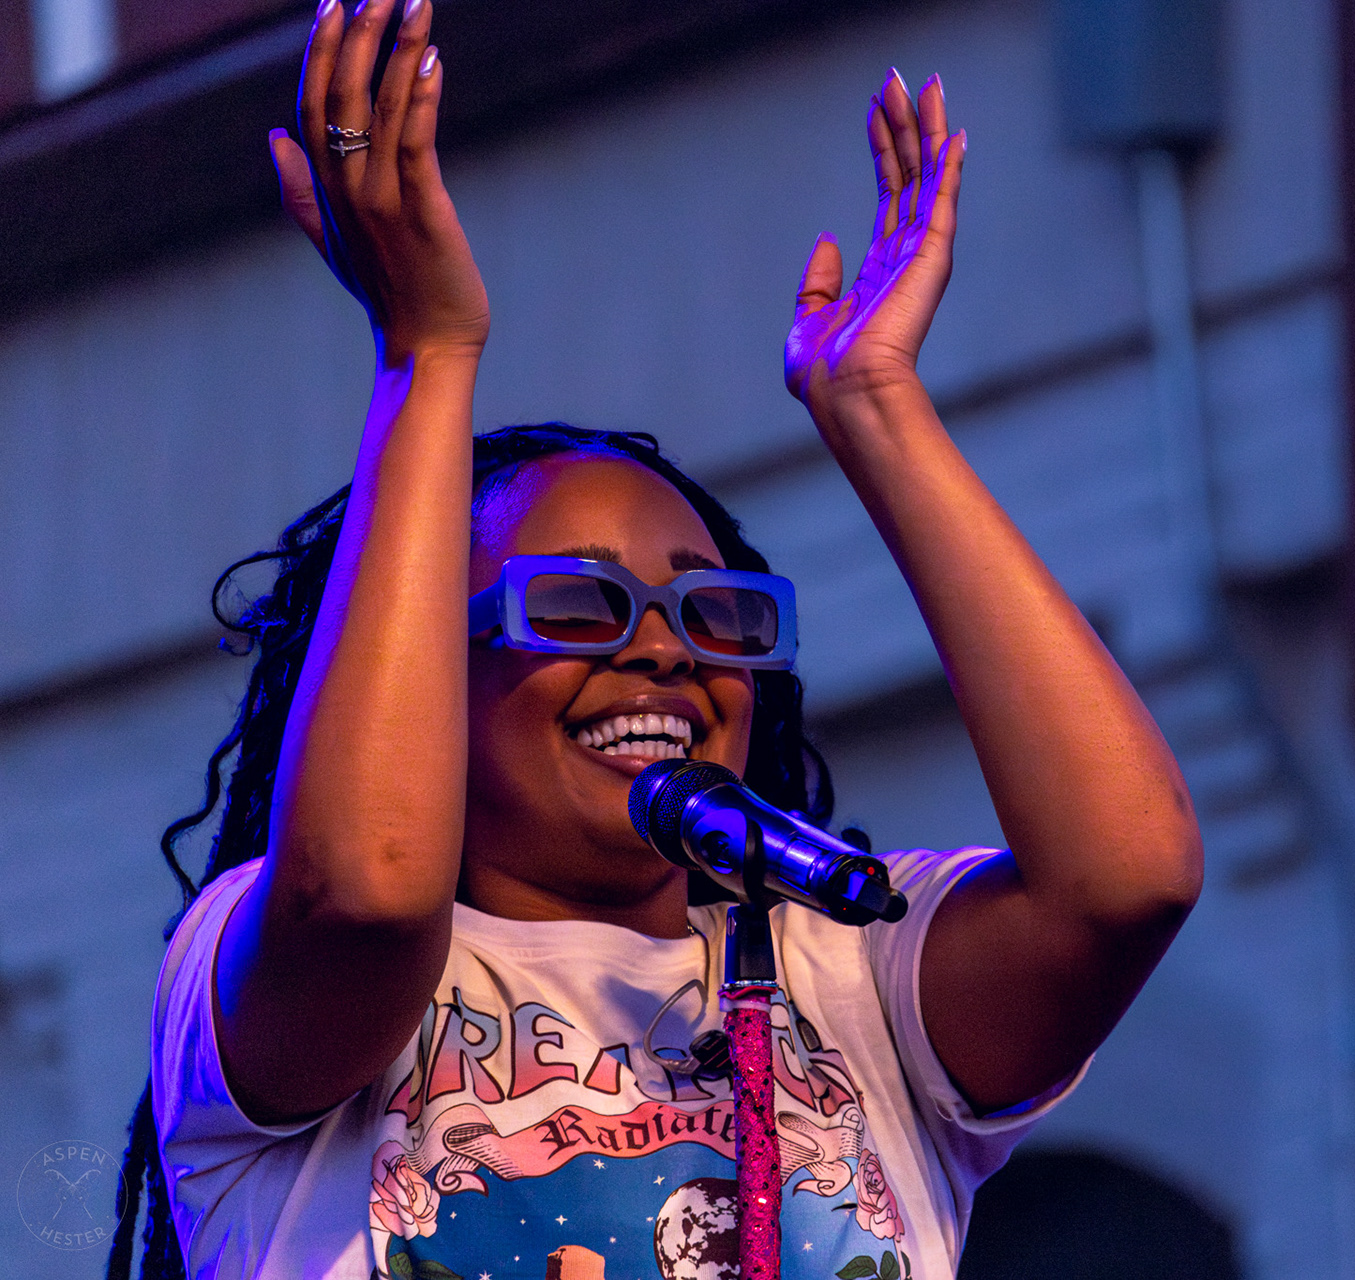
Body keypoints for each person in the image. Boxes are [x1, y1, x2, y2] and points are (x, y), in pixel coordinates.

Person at [108, 2, 1204, 1278]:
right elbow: (365, 887)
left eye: (716, 615)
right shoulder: (266, 960)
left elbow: (1125, 878)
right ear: (418, 666)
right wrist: (425, 355)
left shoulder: (850, 977)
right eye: (578, 604)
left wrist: (876, 407)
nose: (668, 652)